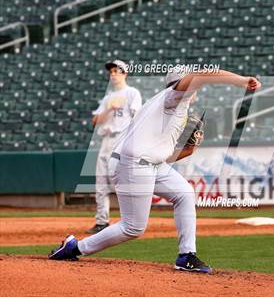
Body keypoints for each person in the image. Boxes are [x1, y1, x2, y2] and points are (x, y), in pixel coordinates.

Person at [49, 66, 261, 274]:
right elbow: (200, 75)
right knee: (133, 228)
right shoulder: (173, 97)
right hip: (132, 163)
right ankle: (75, 247)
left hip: (149, 163)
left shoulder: (174, 106)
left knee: (185, 194)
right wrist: (242, 80)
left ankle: (186, 256)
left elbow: (162, 155)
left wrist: (189, 149)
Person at [86, 59, 142, 234]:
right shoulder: (108, 97)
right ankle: (102, 221)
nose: (113, 74)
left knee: (123, 182)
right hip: (106, 140)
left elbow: (138, 117)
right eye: (111, 72)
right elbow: (95, 121)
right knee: (101, 183)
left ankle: (132, 219)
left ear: (125, 73)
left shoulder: (132, 93)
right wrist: (109, 109)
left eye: (116, 71)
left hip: (122, 139)